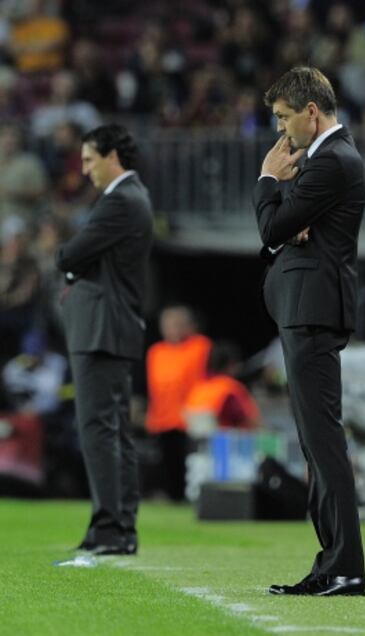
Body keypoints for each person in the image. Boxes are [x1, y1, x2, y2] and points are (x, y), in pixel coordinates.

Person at [253, 66, 365, 596]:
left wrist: (269, 181)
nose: (282, 133)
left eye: (283, 118)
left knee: (323, 445)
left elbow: (272, 228)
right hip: (307, 309)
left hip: (314, 311)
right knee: (316, 447)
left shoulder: (333, 162)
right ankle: (331, 565)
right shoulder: (325, 164)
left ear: (311, 112)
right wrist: (287, 214)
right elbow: (284, 231)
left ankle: (345, 568)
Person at [56, 123, 153, 555]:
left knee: (99, 428)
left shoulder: (122, 201)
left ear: (113, 156)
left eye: (91, 160)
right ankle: (118, 526)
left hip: (101, 328)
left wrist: (71, 267)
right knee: (113, 429)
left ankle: (111, 526)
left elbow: (69, 254)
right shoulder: (132, 199)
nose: (85, 169)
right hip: (111, 325)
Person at [145, 305, 212, 501]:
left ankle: (194, 496)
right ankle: (174, 496)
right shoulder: (156, 352)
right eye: (167, 325)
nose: (171, 329)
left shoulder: (201, 346)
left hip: (193, 417)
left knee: (192, 461)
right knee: (168, 462)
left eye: (176, 324)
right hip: (163, 417)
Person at [184, 340, 260, 431]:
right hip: (224, 440)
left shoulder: (199, 388)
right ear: (231, 364)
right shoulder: (230, 388)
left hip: (198, 442)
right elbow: (250, 421)